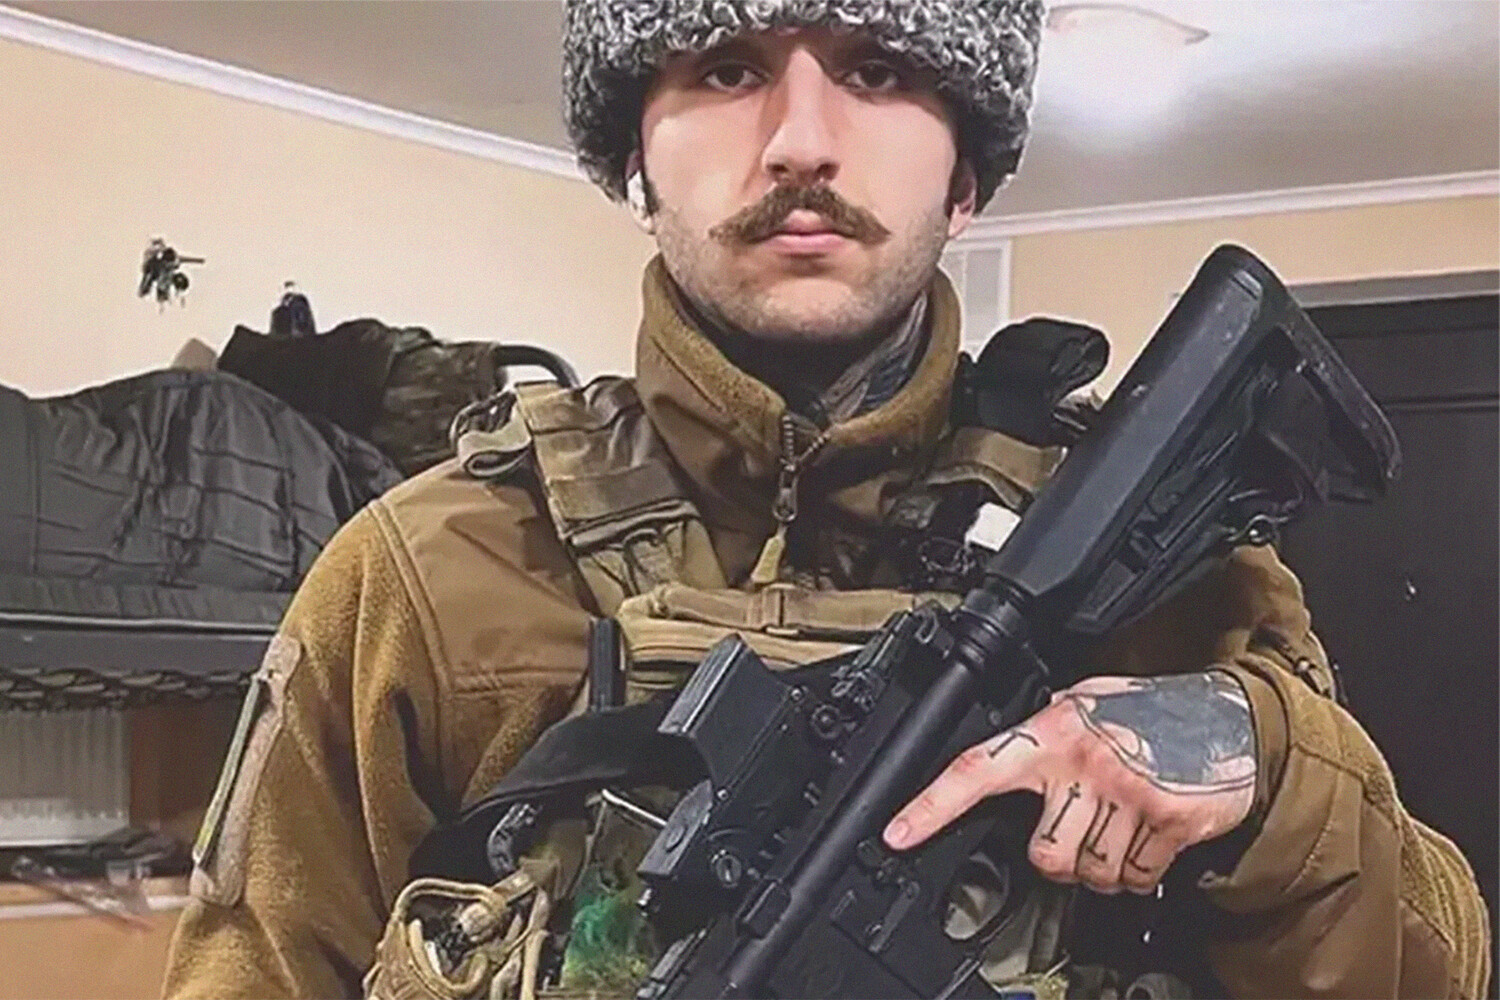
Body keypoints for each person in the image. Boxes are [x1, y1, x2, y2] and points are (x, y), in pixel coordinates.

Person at [162, 2, 1490, 997]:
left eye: (880, 69)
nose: (801, 140)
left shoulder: (1164, 567)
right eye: (725, 66)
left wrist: (1265, 763)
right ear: (635, 157)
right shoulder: (420, 575)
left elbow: (1444, 963)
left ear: (966, 175)